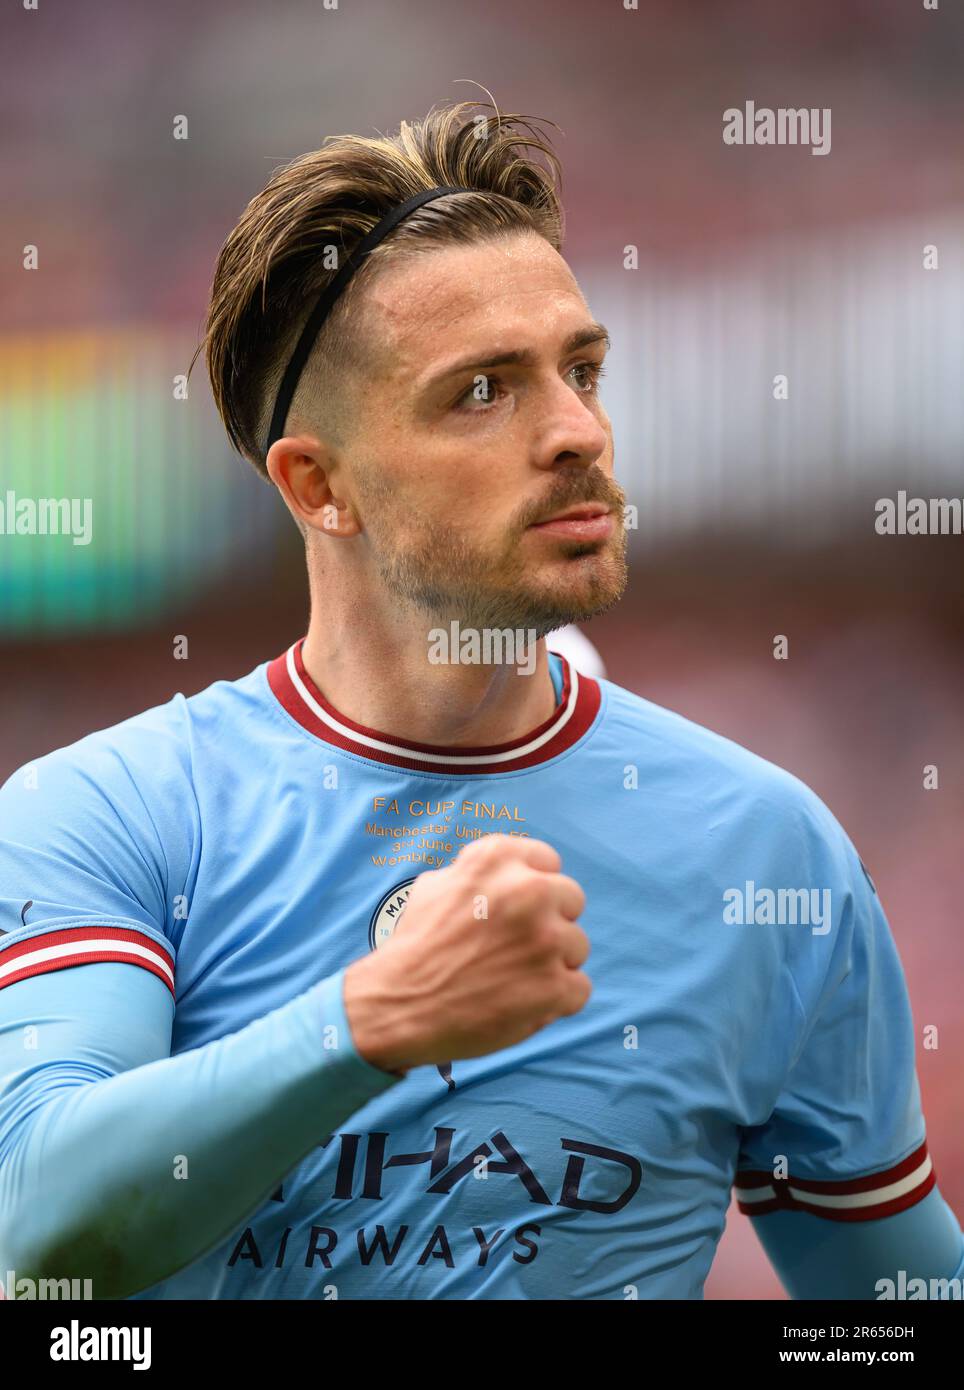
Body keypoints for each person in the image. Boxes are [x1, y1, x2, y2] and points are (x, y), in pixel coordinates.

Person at [0, 101, 960, 1301]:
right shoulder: (115, 813)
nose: (577, 432)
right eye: (482, 391)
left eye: (582, 369)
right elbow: (38, 1228)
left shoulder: (767, 847)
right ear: (320, 486)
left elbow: (889, 1305)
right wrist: (373, 1020)